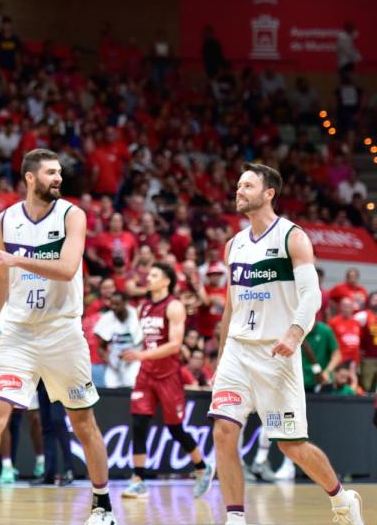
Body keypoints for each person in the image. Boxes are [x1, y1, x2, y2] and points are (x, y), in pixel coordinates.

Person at [0, 148, 115, 525]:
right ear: (30, 177)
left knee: (83, 422)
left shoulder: (72, 215)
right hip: (18, 333)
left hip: (62, 332)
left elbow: (66, 269)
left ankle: (102, 505)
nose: (58, 178)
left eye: (60, 172)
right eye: (51, 172)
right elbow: (1, 277)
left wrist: (15, 259)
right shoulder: (6, 219)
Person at [208, 163, 364, 525]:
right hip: (237, 351)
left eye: (247, 185)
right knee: (224, 429)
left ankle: (341, 499)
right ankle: (235, 518)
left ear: (268, 193)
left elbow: (311, 296)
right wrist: (219, 362)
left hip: (277, 353)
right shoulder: (233, 245)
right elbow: (230, 308)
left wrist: (294, 334)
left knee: (290, 445)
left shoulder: (292, 237)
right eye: (238, 185)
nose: (239, 190)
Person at [120, 262, 214, 499]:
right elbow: (148, 341)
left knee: (175, 428)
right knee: (139, 425)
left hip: (168, 375)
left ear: (166, 281)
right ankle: (138, 478)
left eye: (154, 275)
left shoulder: (174, 307)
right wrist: (138, 354)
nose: (148, 278)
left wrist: (140, 355)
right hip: (146, 374)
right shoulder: (143, 307)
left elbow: (174, 345)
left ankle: (202, 468)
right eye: (148, 274)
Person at [93, 291, 142, 389]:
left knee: (132, 383)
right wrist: (109, 359)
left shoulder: (136, 315)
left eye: (117, 304)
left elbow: (143, 341)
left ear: (125, 303)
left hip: (133, 360)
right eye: (112, 304)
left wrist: (134, 355)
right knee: (111, 388)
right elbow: (101, 348)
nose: (114, 307)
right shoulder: (107, 318)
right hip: (114, 363)